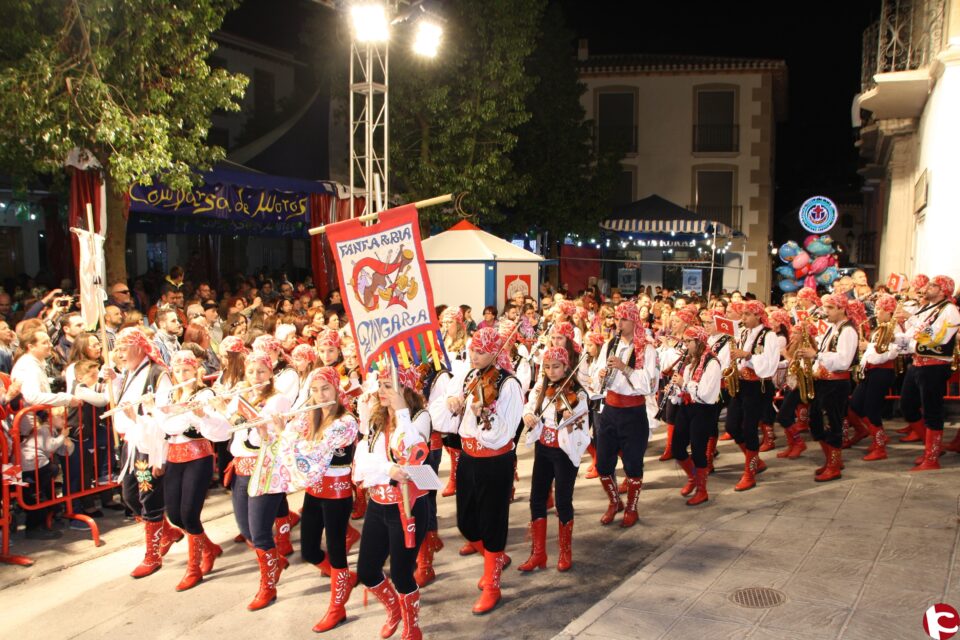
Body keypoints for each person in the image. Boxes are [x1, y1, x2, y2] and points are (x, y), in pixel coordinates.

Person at [434, 326, 523, 614]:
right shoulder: (471, 376)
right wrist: (454, 403)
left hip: (495, 461)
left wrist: (482, 414)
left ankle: (493, 584)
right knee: (466, 522)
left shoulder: (509, 384)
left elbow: (505, 432)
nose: (473, 355)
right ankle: (494, 558)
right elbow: (446, 416)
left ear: (496, 352)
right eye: (472, 349)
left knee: (492, 521)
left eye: (481, 351)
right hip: (469, 456)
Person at [355, 368, 430, 638]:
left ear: (405, 389)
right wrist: (386, 467)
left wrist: (401, 414)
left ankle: (413, 626)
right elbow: (363, 462)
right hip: (378, 502)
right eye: (381, 386)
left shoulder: (419, 418)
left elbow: (410, 455)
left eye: (389, 386)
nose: (382, 391)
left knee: (401, 573)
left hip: (407, 507)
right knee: (366, 570)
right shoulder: (375, 418)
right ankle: (394, 609)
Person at [100, 327, 180, 576]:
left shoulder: (158, 374)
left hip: (150, 444)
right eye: (118, 349)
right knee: (129, 495)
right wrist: (113, 380)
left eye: (124, 348)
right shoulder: (130, 372)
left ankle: (152, 555)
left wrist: (159, 455)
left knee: (148, 497)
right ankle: (168, 532)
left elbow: (165, 415)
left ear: (138, 347)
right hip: (132, 443)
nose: (119, 354)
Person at [149, 350, 230, 591]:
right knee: (175, 515)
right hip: (175, 456)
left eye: (186, 370)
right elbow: (165, 428)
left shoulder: (204, 393)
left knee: (189, 514)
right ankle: (210, 549)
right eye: (178, 370)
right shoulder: (172, 394)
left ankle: (193, 568)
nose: (182, 374)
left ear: (195, 371)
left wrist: (193, 415)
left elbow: (182, 425)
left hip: (198, 456)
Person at [218, 350, 292, 610]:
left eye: (261, 371)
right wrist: (215, 410)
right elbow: (223, 431)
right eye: (250, 371)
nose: (255, 376)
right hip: (241, 467)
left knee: (260, 532)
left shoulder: (278, 400)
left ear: (270, 372)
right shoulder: (242, 396)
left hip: (266, 468)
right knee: (246, 530)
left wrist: (258, 425)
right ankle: (275, 561)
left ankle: (268, 587)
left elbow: (272, 438)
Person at [519, 346, 588, 573]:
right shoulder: (541, 386)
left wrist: (571, 415)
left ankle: (565, 551)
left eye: (556, 367)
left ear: (566, 366)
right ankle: (538, 553)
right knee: (536, 498)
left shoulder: (577, 391)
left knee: (563, 500)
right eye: (547, 367)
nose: (551, 371)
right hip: (543, 448)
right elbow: (529, 406)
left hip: (564, 452)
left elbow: (581, 414)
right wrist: (528, 415)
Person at [10, 326, 84, 539]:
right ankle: (35, 526)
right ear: (30, 346)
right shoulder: (27, 367)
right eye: (43, 342)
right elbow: (33, 397)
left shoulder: (35, 364)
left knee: (44, 476)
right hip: (28, 433)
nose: (49, 345)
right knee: (36, 480)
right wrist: (65, 399)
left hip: (35, 432)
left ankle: (45, 519)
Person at [593, 301, 659, 528]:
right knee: (603, 464)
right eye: (617, 319)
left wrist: (624, 367)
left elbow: (649, 385)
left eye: (624, 319)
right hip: (610, 409)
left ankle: (632, 507)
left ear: (634, 321)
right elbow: (595, 376)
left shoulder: (646, 349)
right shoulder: (610, 344)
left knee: (633, 464)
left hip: (633, 411)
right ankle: (614, 502)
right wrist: (600, 373)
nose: (618, 324)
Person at [895, 275, 960, 470]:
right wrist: (898, 338)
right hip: (917, 363)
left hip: (935, 365)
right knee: (907, 405)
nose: (927, 287)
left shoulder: (950, 310)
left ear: (943, 291)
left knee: (933, 410)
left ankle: (932, 458)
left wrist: (911, 318)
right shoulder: (927, 308)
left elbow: (935, 337)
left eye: (933, 285)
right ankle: (932, 448)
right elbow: (913, 335)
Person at [797, 294, 859, 481]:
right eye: (825, 307)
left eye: (830, 308)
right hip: (825, 380)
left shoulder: (848, 331)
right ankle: (831, 460)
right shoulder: (833, 328)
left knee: (832, 423)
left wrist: (816, 356)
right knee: (817, 421)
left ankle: (834, 465)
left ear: (842, 309)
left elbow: (843, 360)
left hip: (836, 383)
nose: (826, 312)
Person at [724, 300, 779, 491]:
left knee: (749, 428)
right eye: (743, 314)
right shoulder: (745, 332)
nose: (743, 318)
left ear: (758, 315)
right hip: (742, 383)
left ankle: (750, 472)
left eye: (747, 314)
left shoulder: (769, 335)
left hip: (758, 386)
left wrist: (747, 356)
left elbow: (770, 363)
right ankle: (755, 460)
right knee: (731, 425)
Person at [669, 326, 721, 506]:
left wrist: (685, 383)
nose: (685, 345)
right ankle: (693, 477)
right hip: (687, 406)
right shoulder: (690, 360)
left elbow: (705, 394)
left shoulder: (712, 362)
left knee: (699, 449)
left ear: (698, 342)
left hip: (703, 409)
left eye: (688, 341)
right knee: (677, 447)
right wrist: (675, 388)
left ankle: (702, 490)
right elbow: (685, 387)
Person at [849, 293, 899, 461]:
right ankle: (878, 436)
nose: (876, 312)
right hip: (871, 370)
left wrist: (867, 345)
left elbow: (888, 353)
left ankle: (880, 446)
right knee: (856, 404)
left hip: (882, 371)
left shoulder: (894, 328)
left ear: (889, 311)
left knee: (872, 408)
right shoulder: (881, 327)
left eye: (879, 309)